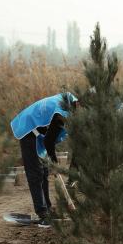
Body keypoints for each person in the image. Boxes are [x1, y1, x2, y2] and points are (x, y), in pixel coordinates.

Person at [10, 92, 76, 227]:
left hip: (40, 133)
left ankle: (47, 209)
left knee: (44, 172)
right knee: (35, 173)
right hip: (29, 128)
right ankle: (42, 214)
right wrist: (55, 164)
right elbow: (49, 141)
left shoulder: (73, 103)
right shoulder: (62, 112)